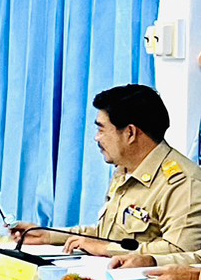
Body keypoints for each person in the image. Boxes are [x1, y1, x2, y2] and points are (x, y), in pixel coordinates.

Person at [12, 84, 201, 255]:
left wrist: (106, 249)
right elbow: (107, 235)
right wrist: (48, 236)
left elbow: (181, 251)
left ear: (130, 133)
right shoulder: (124, 171)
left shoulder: (184, 183)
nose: (97, 138)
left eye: (101, 130)